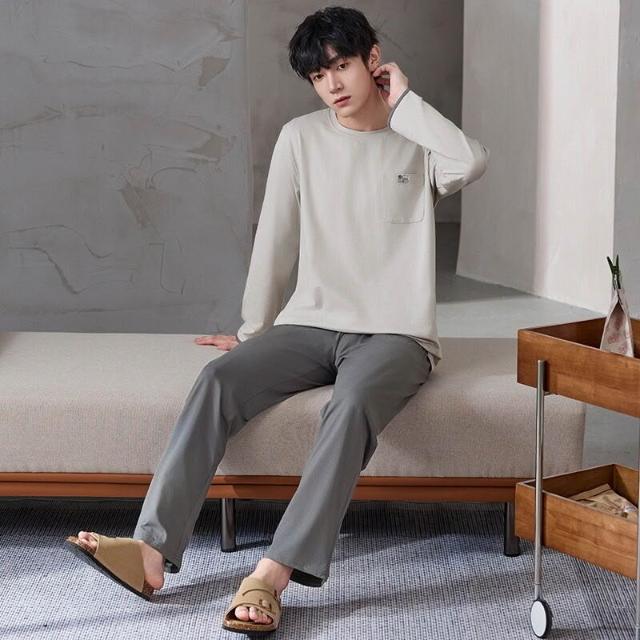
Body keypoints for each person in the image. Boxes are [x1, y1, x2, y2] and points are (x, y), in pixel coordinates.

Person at [65, 5, 489, 635]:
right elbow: (276, 242)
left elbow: (471, 161)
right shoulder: (301, 137)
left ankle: (272, 574)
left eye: (342, 66)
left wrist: (405, 102)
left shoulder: (418, 138)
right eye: (318, 76)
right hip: (311, 322)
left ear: (373, 59)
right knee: (219, 379)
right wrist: (252, 333)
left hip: (395, 334)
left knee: (350, 405)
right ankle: (150, 552)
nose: (332, 85)